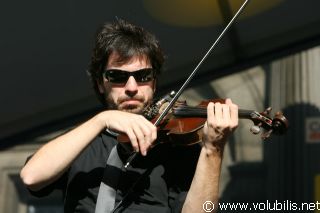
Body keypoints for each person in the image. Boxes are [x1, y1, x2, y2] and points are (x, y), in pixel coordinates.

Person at [20, 19, 239, 213]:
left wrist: (213, 150)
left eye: (143, 75)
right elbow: (32, 176)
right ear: (100, 83)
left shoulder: (178, 149)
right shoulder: (83, 139)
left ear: (154, 82)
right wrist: (102, 119)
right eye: (117, 76)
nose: (132, 87)